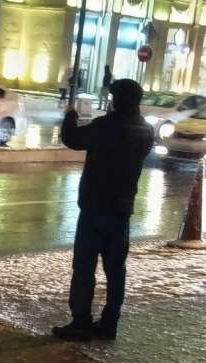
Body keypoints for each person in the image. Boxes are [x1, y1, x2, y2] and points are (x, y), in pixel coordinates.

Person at [52, 78, 156, 342]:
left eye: (112, 98)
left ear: (117, 100)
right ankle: (110, 323)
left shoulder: (106, 126)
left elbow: (73, 139)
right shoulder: (145, 130)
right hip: (122, 209)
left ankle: (81, 322)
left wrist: (70, 116)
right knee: (116, 269)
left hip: (95, 207)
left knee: (85, 266)